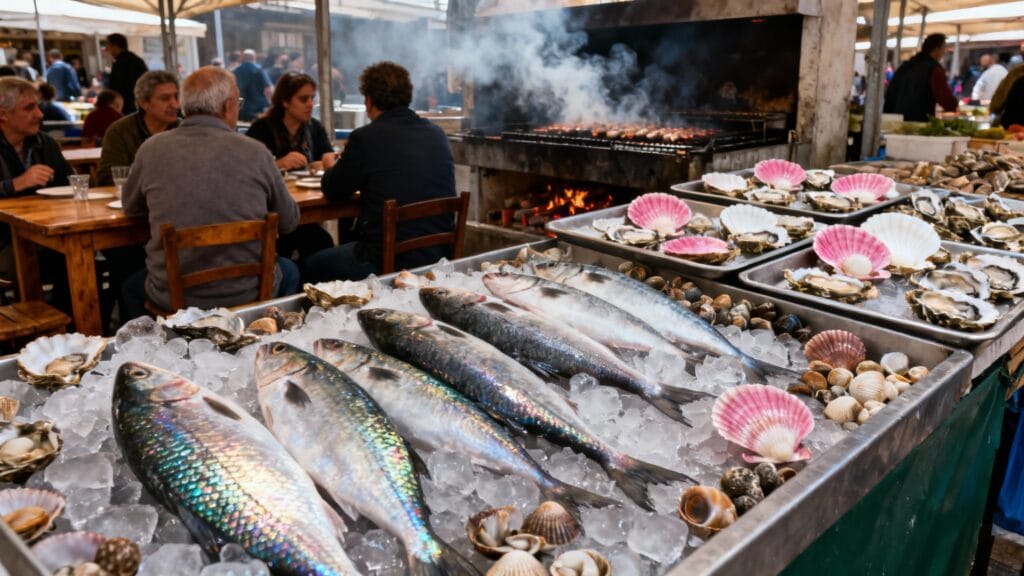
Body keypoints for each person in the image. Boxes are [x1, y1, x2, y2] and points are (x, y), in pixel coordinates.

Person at [120, 66, 300, 318]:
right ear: (227, 107)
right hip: (248, 291)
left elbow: (131, 207)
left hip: (174, 295)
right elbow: (290, 221)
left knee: (130, 286)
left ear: (185, 106)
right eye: (237, 102)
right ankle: (268, 337)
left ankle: (153, 348)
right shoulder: (256, 151)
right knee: (289, 270)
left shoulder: (151, 149)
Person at [305, 62, 456, 282]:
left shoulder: (366, 138)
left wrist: (330, 166)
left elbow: (333, 189)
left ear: (368, 100)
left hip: (388, 261)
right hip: (438, 256)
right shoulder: (436, 134)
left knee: (311, 265)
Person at [246, 72, 336, 266]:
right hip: (274, 212)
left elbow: (326, 157)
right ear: (285, 102)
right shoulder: (262, 128)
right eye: (304, 99)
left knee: (323, 242)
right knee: (297, 245)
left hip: (309, 203)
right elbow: (249, 171)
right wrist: (278, 164)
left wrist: (324, 162)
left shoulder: (314, 128)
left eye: (313, 98)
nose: (310, 104)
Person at [0, 78, 73, 305]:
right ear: (3, 114)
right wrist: (15, 184)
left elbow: (70, 183)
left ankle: (72, 328)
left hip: (49, 233)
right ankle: (33, 330)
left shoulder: (45, 144)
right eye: (29, 108)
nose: (40, 114)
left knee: (85, 258)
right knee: (29, 260)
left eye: (38, 106)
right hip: (4, 240)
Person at [96, 71, 180, 186]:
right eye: (165, 99)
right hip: (131, 201)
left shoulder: (186, 130)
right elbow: (108, 177)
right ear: (143, 103)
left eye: (176, 97)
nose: (176, 105)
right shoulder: (120, 131)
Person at [883, 33, 958, 122]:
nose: (944, 52)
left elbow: (890, 93)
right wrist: (954, 106)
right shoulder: (934, 69)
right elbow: (945, 98)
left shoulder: (905, 66)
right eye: (943, 48)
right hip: (918, 122)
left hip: (895, 119)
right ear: (937, 49)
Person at [105, 33, 149, 114]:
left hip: (126, 108)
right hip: (141, 105)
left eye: (108, 45)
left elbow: (115, 88)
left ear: (115, 46)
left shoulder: (120, 63)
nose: (107, 49)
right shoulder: (137, 60)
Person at [233, 49, 272, 122]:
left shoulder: (236, 71)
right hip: (258, 107)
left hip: (242, 108)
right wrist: (270, 104)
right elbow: (268, 89)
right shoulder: (259, 70)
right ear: (254, 57)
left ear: (243, 58)